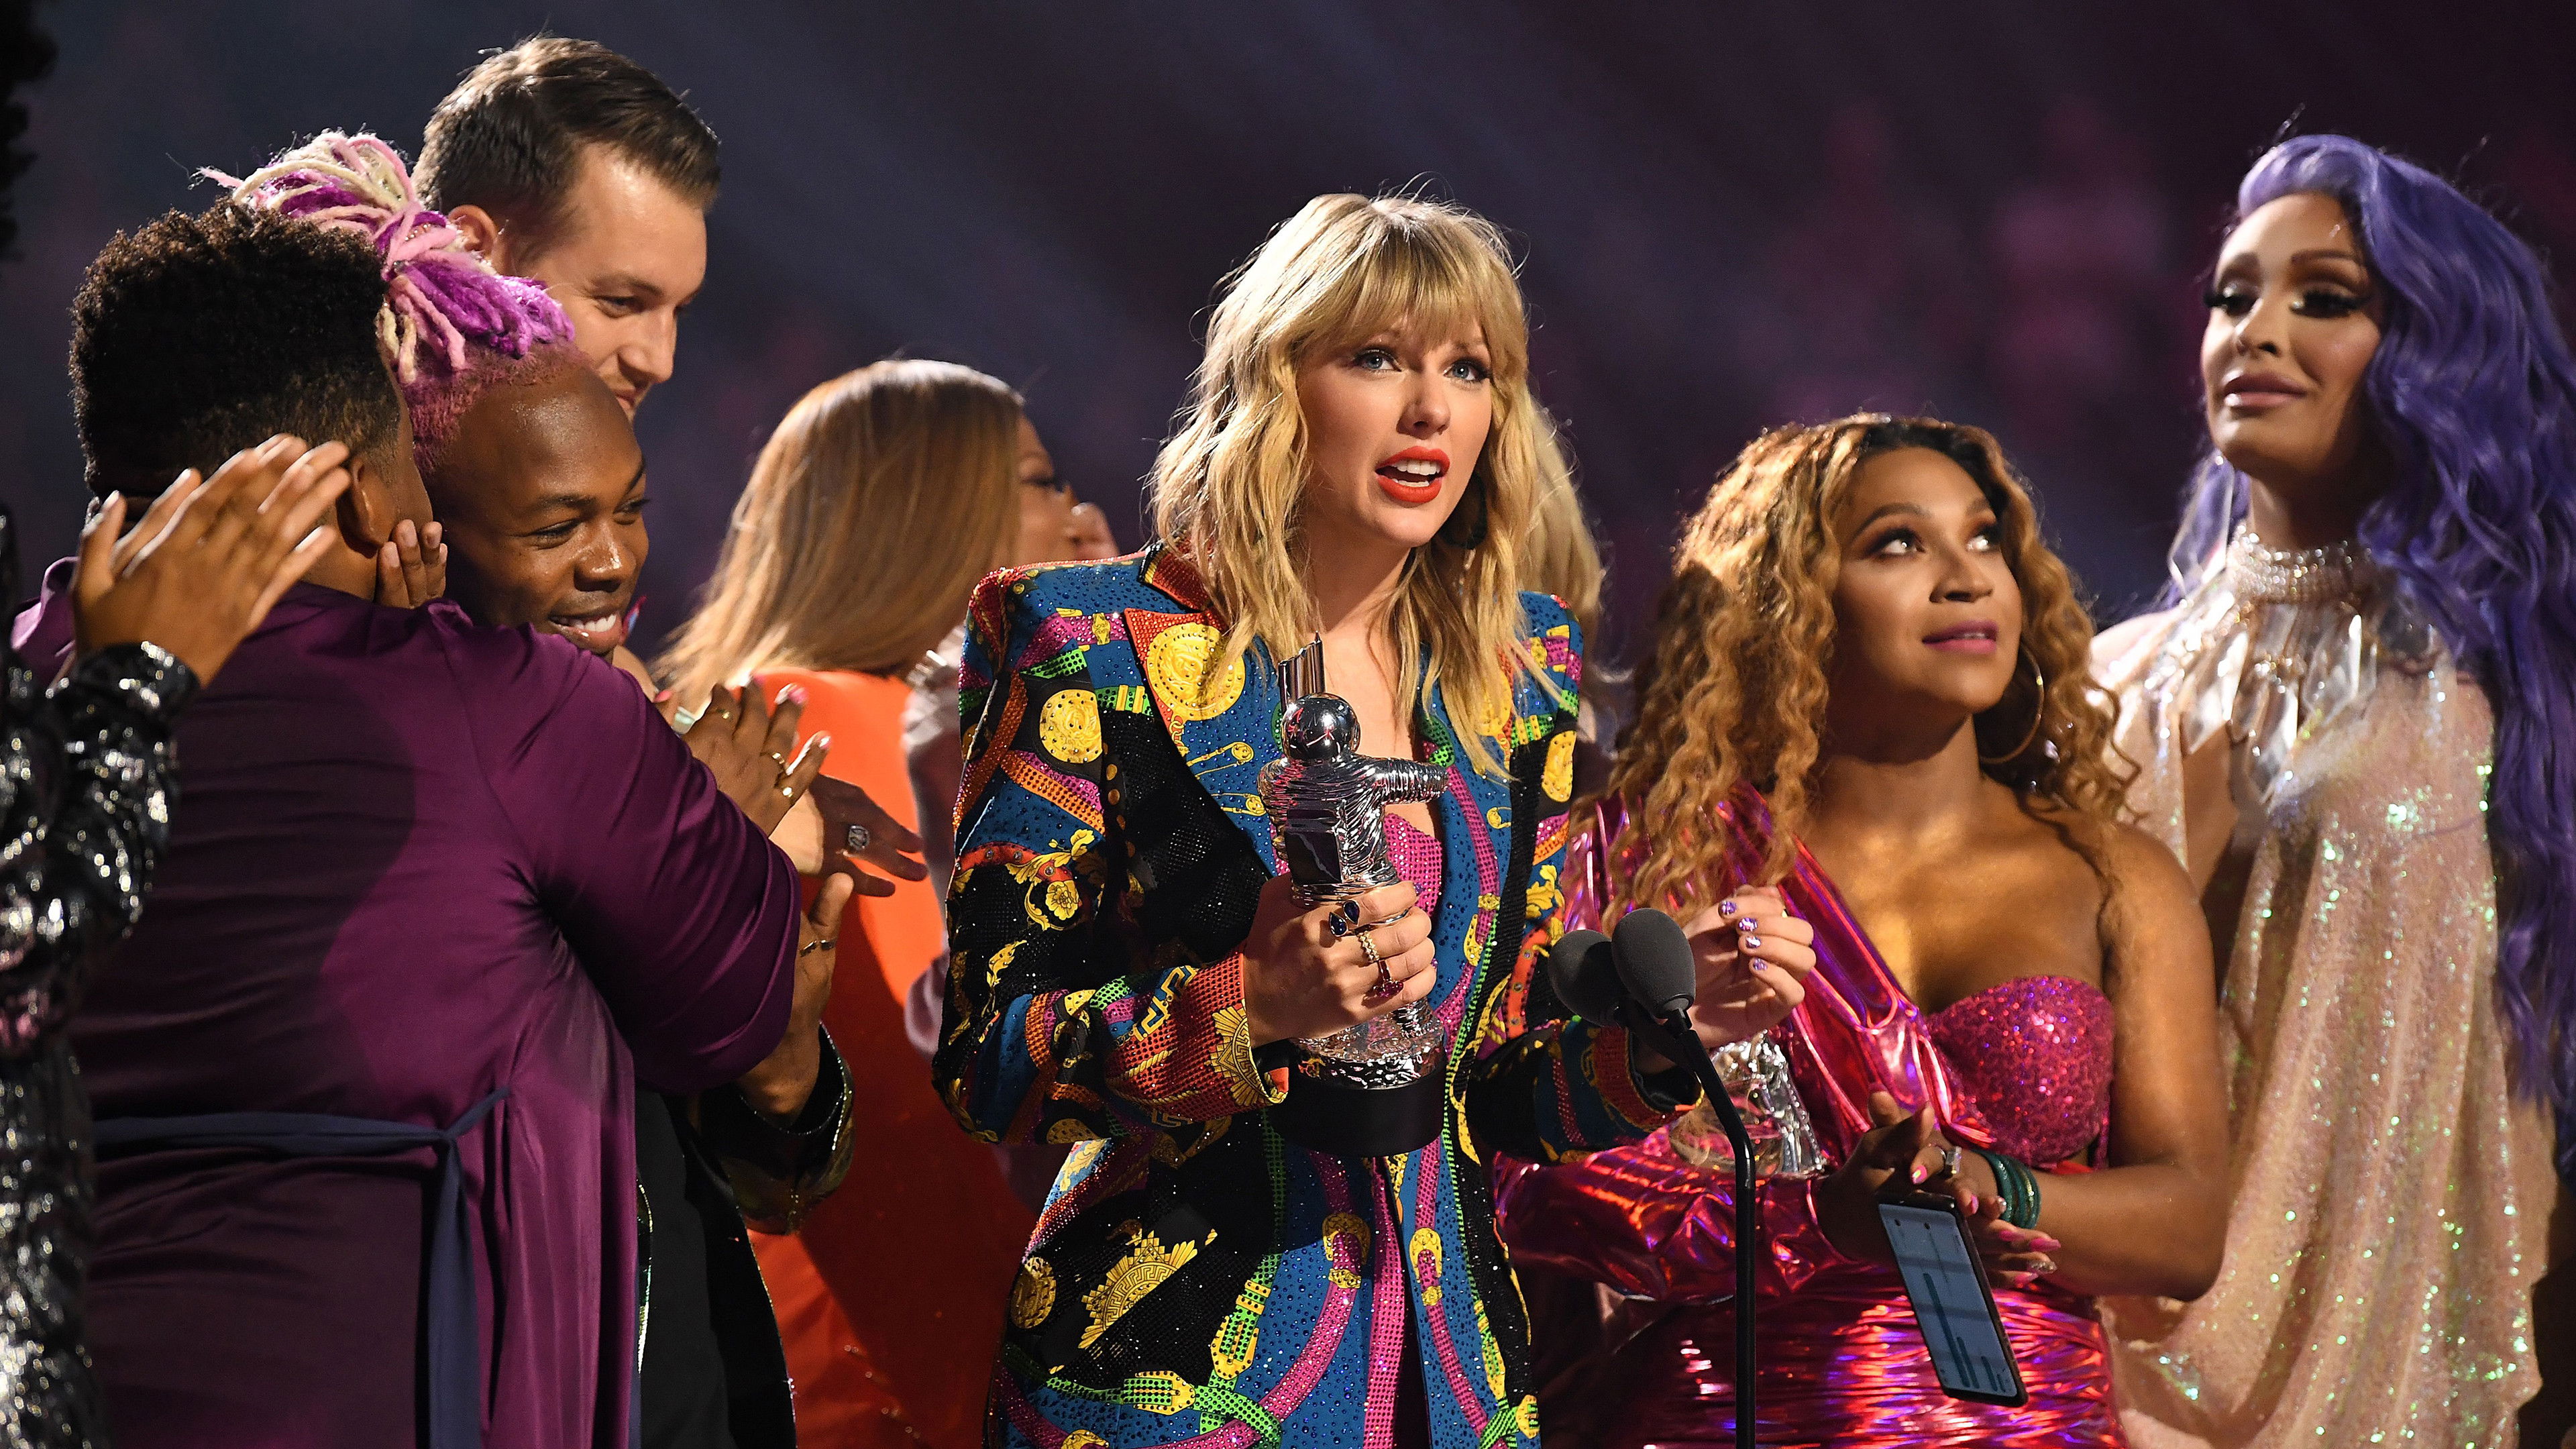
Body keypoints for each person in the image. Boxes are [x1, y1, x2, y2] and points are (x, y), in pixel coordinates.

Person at [30, 193, 833, 1449]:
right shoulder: (518, 709)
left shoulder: (32, 719)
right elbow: (737, 1006)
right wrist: (706, 826)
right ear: (362, 493)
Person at [933, 192, 1700, 1449]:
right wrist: (1252, 1007)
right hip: (1169, 1382)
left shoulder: (1525, 669)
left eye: (1470, 369)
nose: (1431, 409)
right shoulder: (1088, 640)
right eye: (1379, 358)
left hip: (1450, 1389)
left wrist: (1665, 1051)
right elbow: (988, 1061)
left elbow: (1491, 1085)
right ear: (1277, 382)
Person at [215, 129, 915, 1449]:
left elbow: (768, 1172)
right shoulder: (354, 771)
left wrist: (780, 1057)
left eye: (629, 510)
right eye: (555, 527)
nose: (613, 564)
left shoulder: (644, 736)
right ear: (411, 519)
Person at [1495, 415, 2228, 1446]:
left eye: (1985, 539)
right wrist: (1815, 1224)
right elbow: (1533, 1186)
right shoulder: (1644, 859)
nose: (1965, 578)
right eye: (1899, 543)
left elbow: (2188, 1229)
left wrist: (1984, 1190)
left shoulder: (2116, 876)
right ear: (1787, 600)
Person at [2093, 134, 2576, 1449]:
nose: (2256, 331)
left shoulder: (2499, 698)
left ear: (2436, 353)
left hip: (2393, 1386)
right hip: (2084, 1359)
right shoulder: (2101, 680)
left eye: (2326, 299)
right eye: (2232, 295)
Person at [659, 359, 1049, 1448]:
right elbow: (901, 1107)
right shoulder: (823, 719)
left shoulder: (917, 727)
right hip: (899, 1379)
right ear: (927, 515)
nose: (1079, 519)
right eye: (1037, 482)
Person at [416, 35, 713, 419]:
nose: (660, 365)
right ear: (470, 252)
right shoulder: (341, 446)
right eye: (621, 302)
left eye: (679, 312)